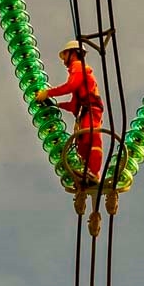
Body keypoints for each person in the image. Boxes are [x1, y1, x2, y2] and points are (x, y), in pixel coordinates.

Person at [34, 41, 104, 183]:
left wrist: (48, 93)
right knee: (83, 144)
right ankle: (87, 172)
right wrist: (57, 105)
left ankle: (94, 173)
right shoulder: (76, 70)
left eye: (65, 54)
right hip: (84, 111)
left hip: (91, 110)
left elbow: (71, 86)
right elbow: (74, 105)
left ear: (73, 53)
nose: (63, 59)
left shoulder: (78, 66)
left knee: (91, 138)